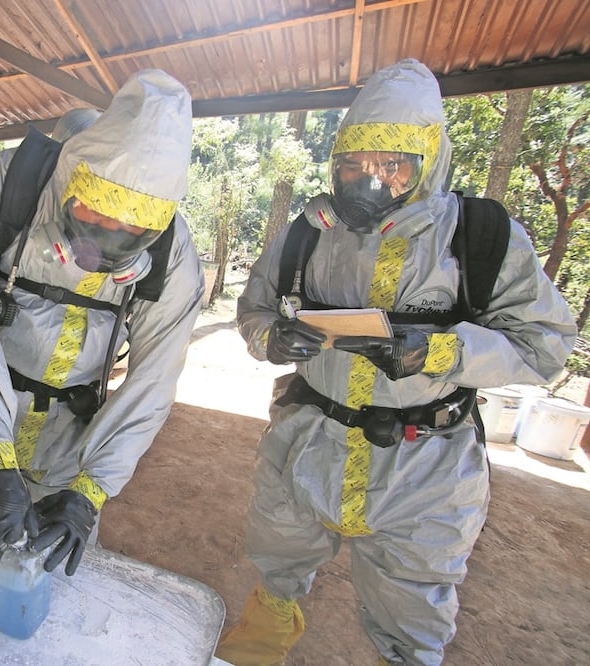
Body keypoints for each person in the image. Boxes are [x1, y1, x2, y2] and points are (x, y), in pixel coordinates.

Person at [221, 58, 576, 665]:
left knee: (411, 612)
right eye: (354, 165)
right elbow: (254, 309)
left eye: (393, 166)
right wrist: (271, 339)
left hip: (425, 472)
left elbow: (544, 348)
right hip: (308, 444)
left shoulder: (482, 237)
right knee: (276, 563)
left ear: (428, 161)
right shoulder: (309, 232)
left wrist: (441, 351)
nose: (370, 182)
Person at [0, 69, 205, 577]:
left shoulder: (173, 249)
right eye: (94, 215)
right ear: (74, 171)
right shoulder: (0, 189)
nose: (105, 241)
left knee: (54, 574)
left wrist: (92, 489)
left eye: (131, 231)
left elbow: (154, 379)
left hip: (71, 439)